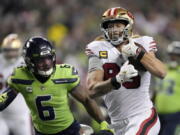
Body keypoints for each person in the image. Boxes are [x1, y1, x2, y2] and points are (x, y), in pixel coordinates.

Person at [0, 36, 113, 135]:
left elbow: (86, 100)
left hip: (69, 130)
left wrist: (103, 123)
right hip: (42, 132)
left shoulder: (64, 73)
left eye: (49, 58)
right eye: (40, 60)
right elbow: (6, 97)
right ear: (30, 61)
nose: (46, 64)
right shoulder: (21, 76)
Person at [85, 7, 167, 135]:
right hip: (116, 123)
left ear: (128, 25)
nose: (113, 30)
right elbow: (91, 90)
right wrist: (116, 80)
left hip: (142, 116)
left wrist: (138, 53)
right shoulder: (97, 48)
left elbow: (161, 72)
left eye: (118, 25)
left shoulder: (142, 42)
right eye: (110, 26)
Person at [0, 33, 31, 135]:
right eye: (8, 50)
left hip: (21, 115)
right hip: (1, 115)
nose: (11, 54)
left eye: (14, 50)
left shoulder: (26, 64)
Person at [154, 41, 180, 135]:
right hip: (159, 113)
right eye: (171, 55)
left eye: (176, 55)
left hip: (175, 114)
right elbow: (156, 91)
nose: (173, 58)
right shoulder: (164, 69)